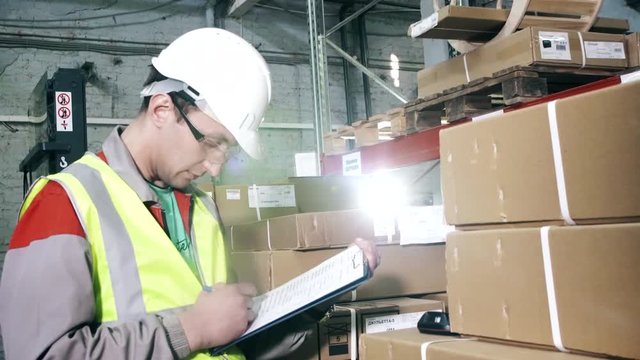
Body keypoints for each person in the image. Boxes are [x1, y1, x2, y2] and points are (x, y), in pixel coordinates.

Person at [0, 28, 380, 359]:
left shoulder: (201, 207)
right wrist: (190, 329)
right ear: (163, 108)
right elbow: (44, 354)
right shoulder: (64, 201)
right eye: (211, 143)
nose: (215, 167)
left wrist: (313, 302)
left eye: (226, 151)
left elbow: (228, 343)